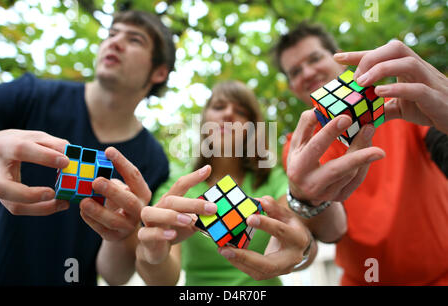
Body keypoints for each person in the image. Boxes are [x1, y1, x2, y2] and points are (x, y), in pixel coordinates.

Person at [0, 10, 175, 285]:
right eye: (112, 34)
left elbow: (115, 276)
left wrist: (122, 233)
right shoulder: (32, 95)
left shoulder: (153, 158)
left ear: (159, 71)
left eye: (135, 39)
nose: (114, 42)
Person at [273, 21, 448, 285]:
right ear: (292, 87)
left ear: (341, 60)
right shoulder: (299, 147)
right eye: (295, 71)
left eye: (315, 58)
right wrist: (308, 200)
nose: (307, 72)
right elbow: (334, 230)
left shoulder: (405, 107)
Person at [135, 80, 320, 285]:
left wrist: (302, 248)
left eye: (240, 111)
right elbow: (163, 280)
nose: (228, 114)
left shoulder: (274, 180)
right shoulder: (178, 186)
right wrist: (152, 255)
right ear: (205, 120)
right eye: (219, 107)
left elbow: (300, 238)